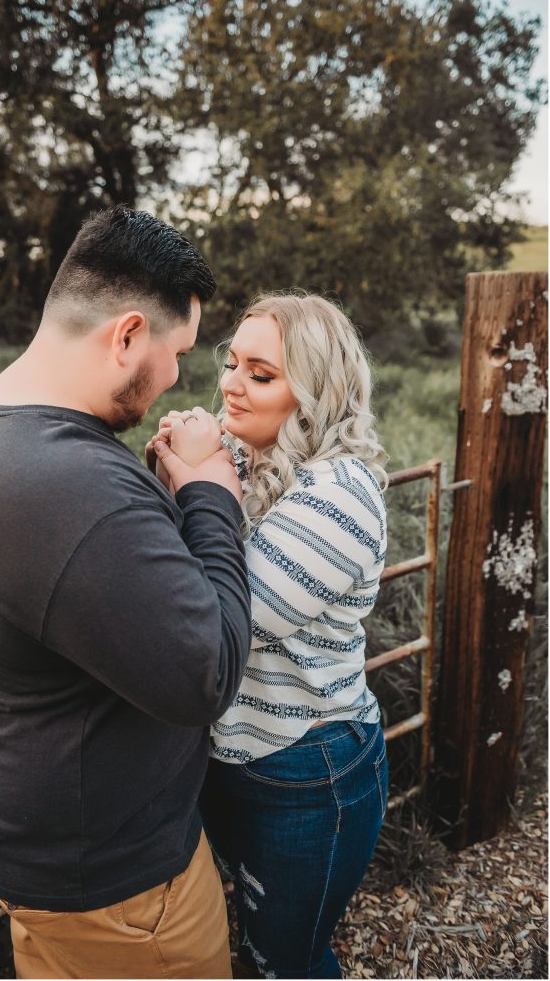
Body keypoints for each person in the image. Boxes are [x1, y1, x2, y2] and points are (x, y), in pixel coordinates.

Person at [0, 206, 253, 980]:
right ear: (125, 336)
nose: (182, 375)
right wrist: (210, 494)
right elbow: (204, 672)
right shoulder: (78, 486)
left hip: (34, 843)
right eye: (177, 350)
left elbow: (94, 585)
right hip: (118, 890)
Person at [150, 292, 389, 980]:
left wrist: (199, 484)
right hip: (230, 754)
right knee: (245, 939)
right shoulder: (244, 460)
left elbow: (217, 622)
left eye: (260, 374)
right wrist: (183, 470)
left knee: (282, 961)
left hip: (305, 771)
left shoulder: (338, 493)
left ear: (313, 393)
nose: (228, 384)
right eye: (231, 364)